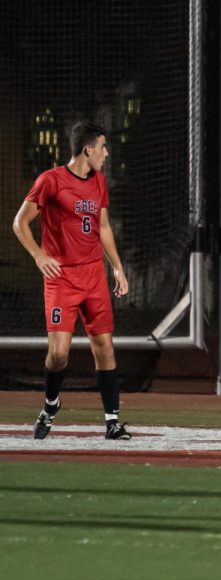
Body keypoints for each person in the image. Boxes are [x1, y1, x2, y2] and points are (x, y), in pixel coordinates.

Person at [12, 122, 131, 441]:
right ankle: (51, 405)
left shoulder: (99, 182)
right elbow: (20, 222)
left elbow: (103, 227)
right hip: (61, 279)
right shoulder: (50, 181)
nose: (106, 154)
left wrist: (117, 267)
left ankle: (112, 421)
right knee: (59, 354)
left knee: (105, 346)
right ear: (87, 149)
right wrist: (38, 256)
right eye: (103, 147)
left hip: (93, 276)